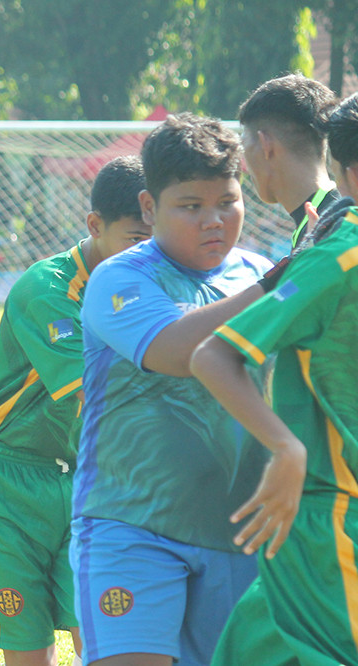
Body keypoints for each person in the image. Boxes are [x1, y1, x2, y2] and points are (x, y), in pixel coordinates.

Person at [70, 113, 289, 666]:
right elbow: (177, 350)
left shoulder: (258, 271)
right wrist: (277, 288)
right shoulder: (120, 277)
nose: (214, 220)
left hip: (240, 531)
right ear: (149, 207)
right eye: (191, 206)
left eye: (228, 202)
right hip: (131, 524)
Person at [0, 156, 152, 666]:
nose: (149, 253)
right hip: (8, 480)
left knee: (101, 630)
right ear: (95, 225)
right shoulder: (48, 288)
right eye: (136, 238)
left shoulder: (149, 283)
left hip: (82, 477)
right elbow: (94, 394)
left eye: (156, 238)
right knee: (29, 641)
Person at [191, 91, 358, 666]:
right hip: (320, 516)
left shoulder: (334, 244)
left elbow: (210, 354)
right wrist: (286, 448)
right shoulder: (335, 246)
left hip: (327, 519)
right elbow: (217, 355)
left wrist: (286, 448)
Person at [239, 73, 340, 251]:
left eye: (244, 146)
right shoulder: (326, 217)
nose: (245, 167)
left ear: (265, 145)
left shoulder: (330, 230)